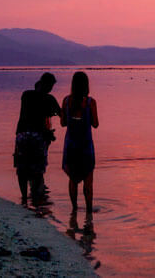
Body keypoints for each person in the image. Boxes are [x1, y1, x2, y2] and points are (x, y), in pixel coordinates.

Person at [14, 72, 61, 204]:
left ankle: (24, 199)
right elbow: (61, 114)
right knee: (38, 170)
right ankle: (38, 202)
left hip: (22, 134)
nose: (51, 89)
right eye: (51, 86)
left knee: (22, 168)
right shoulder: (49, 99)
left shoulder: (26, 95)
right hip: (38, 137)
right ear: (48, 85)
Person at [60, 71, 99, 214]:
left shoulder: (65, 101)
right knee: (88, 179)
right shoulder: (90, 102)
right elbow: (95, 124)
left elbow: (63, 123)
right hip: (86, 146)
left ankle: (74, 209)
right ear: (86, 85)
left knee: (72, 179)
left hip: (70, 145)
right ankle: (89, 211)